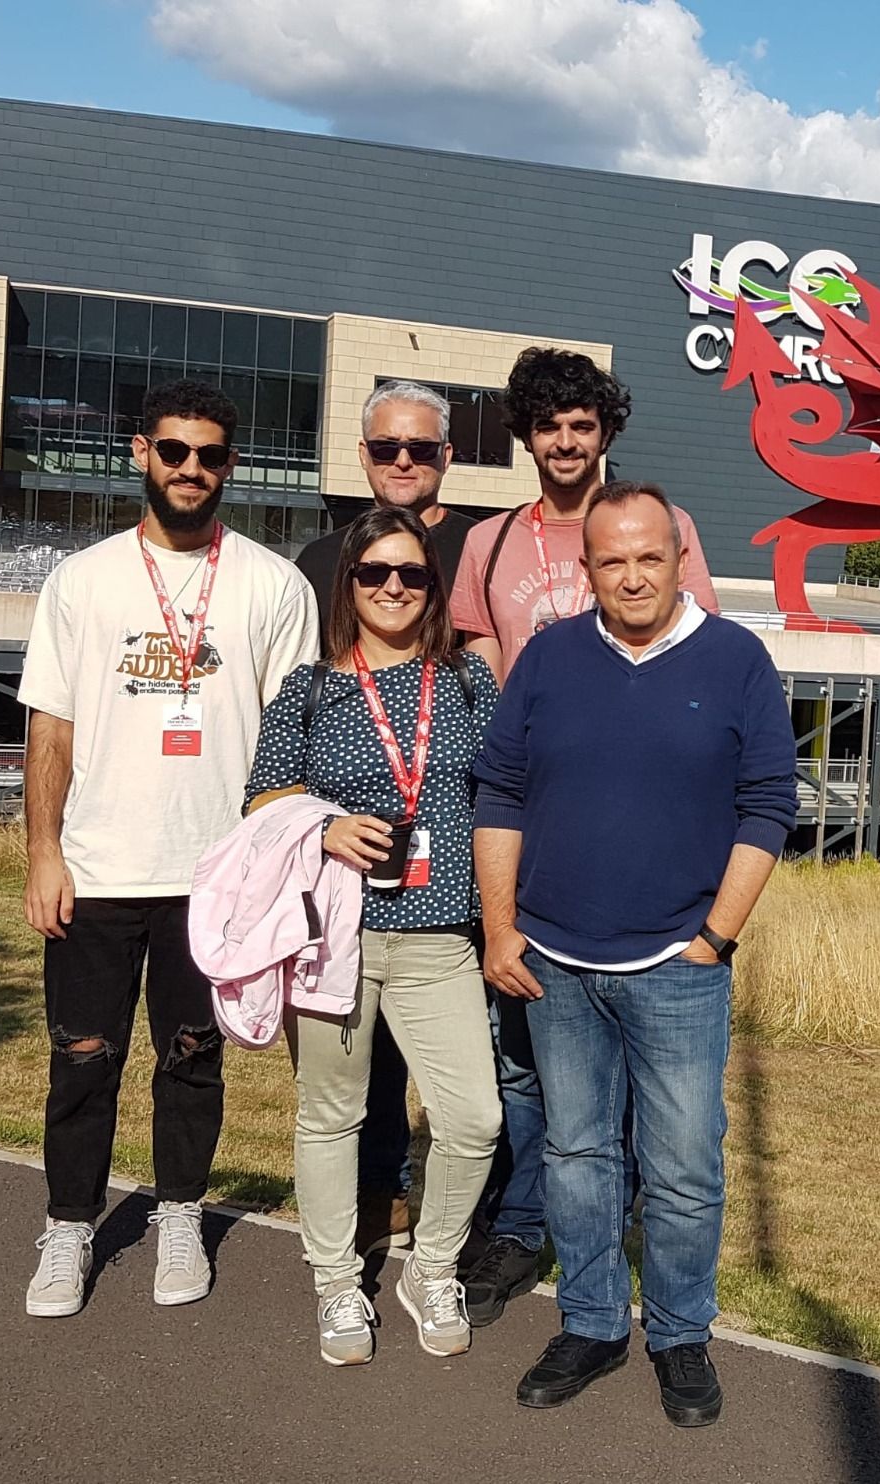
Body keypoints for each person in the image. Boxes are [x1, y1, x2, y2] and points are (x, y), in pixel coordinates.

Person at [473, 481, 796, 1426]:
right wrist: (499, 926)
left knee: (686, 1164)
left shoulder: (737, 660)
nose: (632, 575)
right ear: (587, 568)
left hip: (677, 967)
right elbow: (500, 792)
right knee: (577, 1155)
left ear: (680, 557)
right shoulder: (548, 657)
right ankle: (592, 1323)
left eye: (649, 556)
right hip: (556, 963)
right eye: (611, 559)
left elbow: (769, 803)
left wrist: (714, 937)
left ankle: (681, 1333)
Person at [19, 379, 318, 1318]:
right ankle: (70, 1228)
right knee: (82, 1057)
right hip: (99, 868)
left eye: (213, 454)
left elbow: (292, 738)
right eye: (176, 451)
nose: (194, 469)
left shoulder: (273, 583)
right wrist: (42, 852)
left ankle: (180, 1216)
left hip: (215, 877)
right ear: (140, 451)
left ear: (234, 463)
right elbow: (50, 730)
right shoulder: (83, 579)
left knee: (193, 1057)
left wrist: (276, 874)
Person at [449, 347, 721, 1327]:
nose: (566, 441)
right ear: (526, 435)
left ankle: (627, 1222)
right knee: (524, 1057)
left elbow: (701, 670)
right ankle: (526, 1225)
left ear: (605, 431)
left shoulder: (660, 525)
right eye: (548, 424)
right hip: (536, 838)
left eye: (582, 423)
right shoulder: (487, 546)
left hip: (648, 846)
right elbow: (482, 688)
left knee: (653, 1059)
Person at [245, 504, 501, 1367]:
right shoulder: (310, 689)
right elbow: (261, 799)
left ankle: (431, 1268)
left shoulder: (467, 682)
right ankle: (334, 1284)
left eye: (412, 573)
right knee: (332, 1118)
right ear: (348, 585)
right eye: (374, 573)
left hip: (440, 941)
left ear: (433, 586)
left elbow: (507, 796)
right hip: (336, 938)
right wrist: (322, 828)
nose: (393, 587)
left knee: (472, 1118)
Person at [294, 380, 478, 1255]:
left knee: (465, 1090)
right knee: (347, 1088)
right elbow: (290, 738)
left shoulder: (477, 546)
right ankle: (369, 1206)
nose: (403, 461)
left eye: (422, 448)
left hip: (443, 902)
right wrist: (316, 820)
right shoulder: (318, 556)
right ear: (363, 456)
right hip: (347, 904)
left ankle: (440, 1227)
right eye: (385, 448)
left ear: (447, 455)